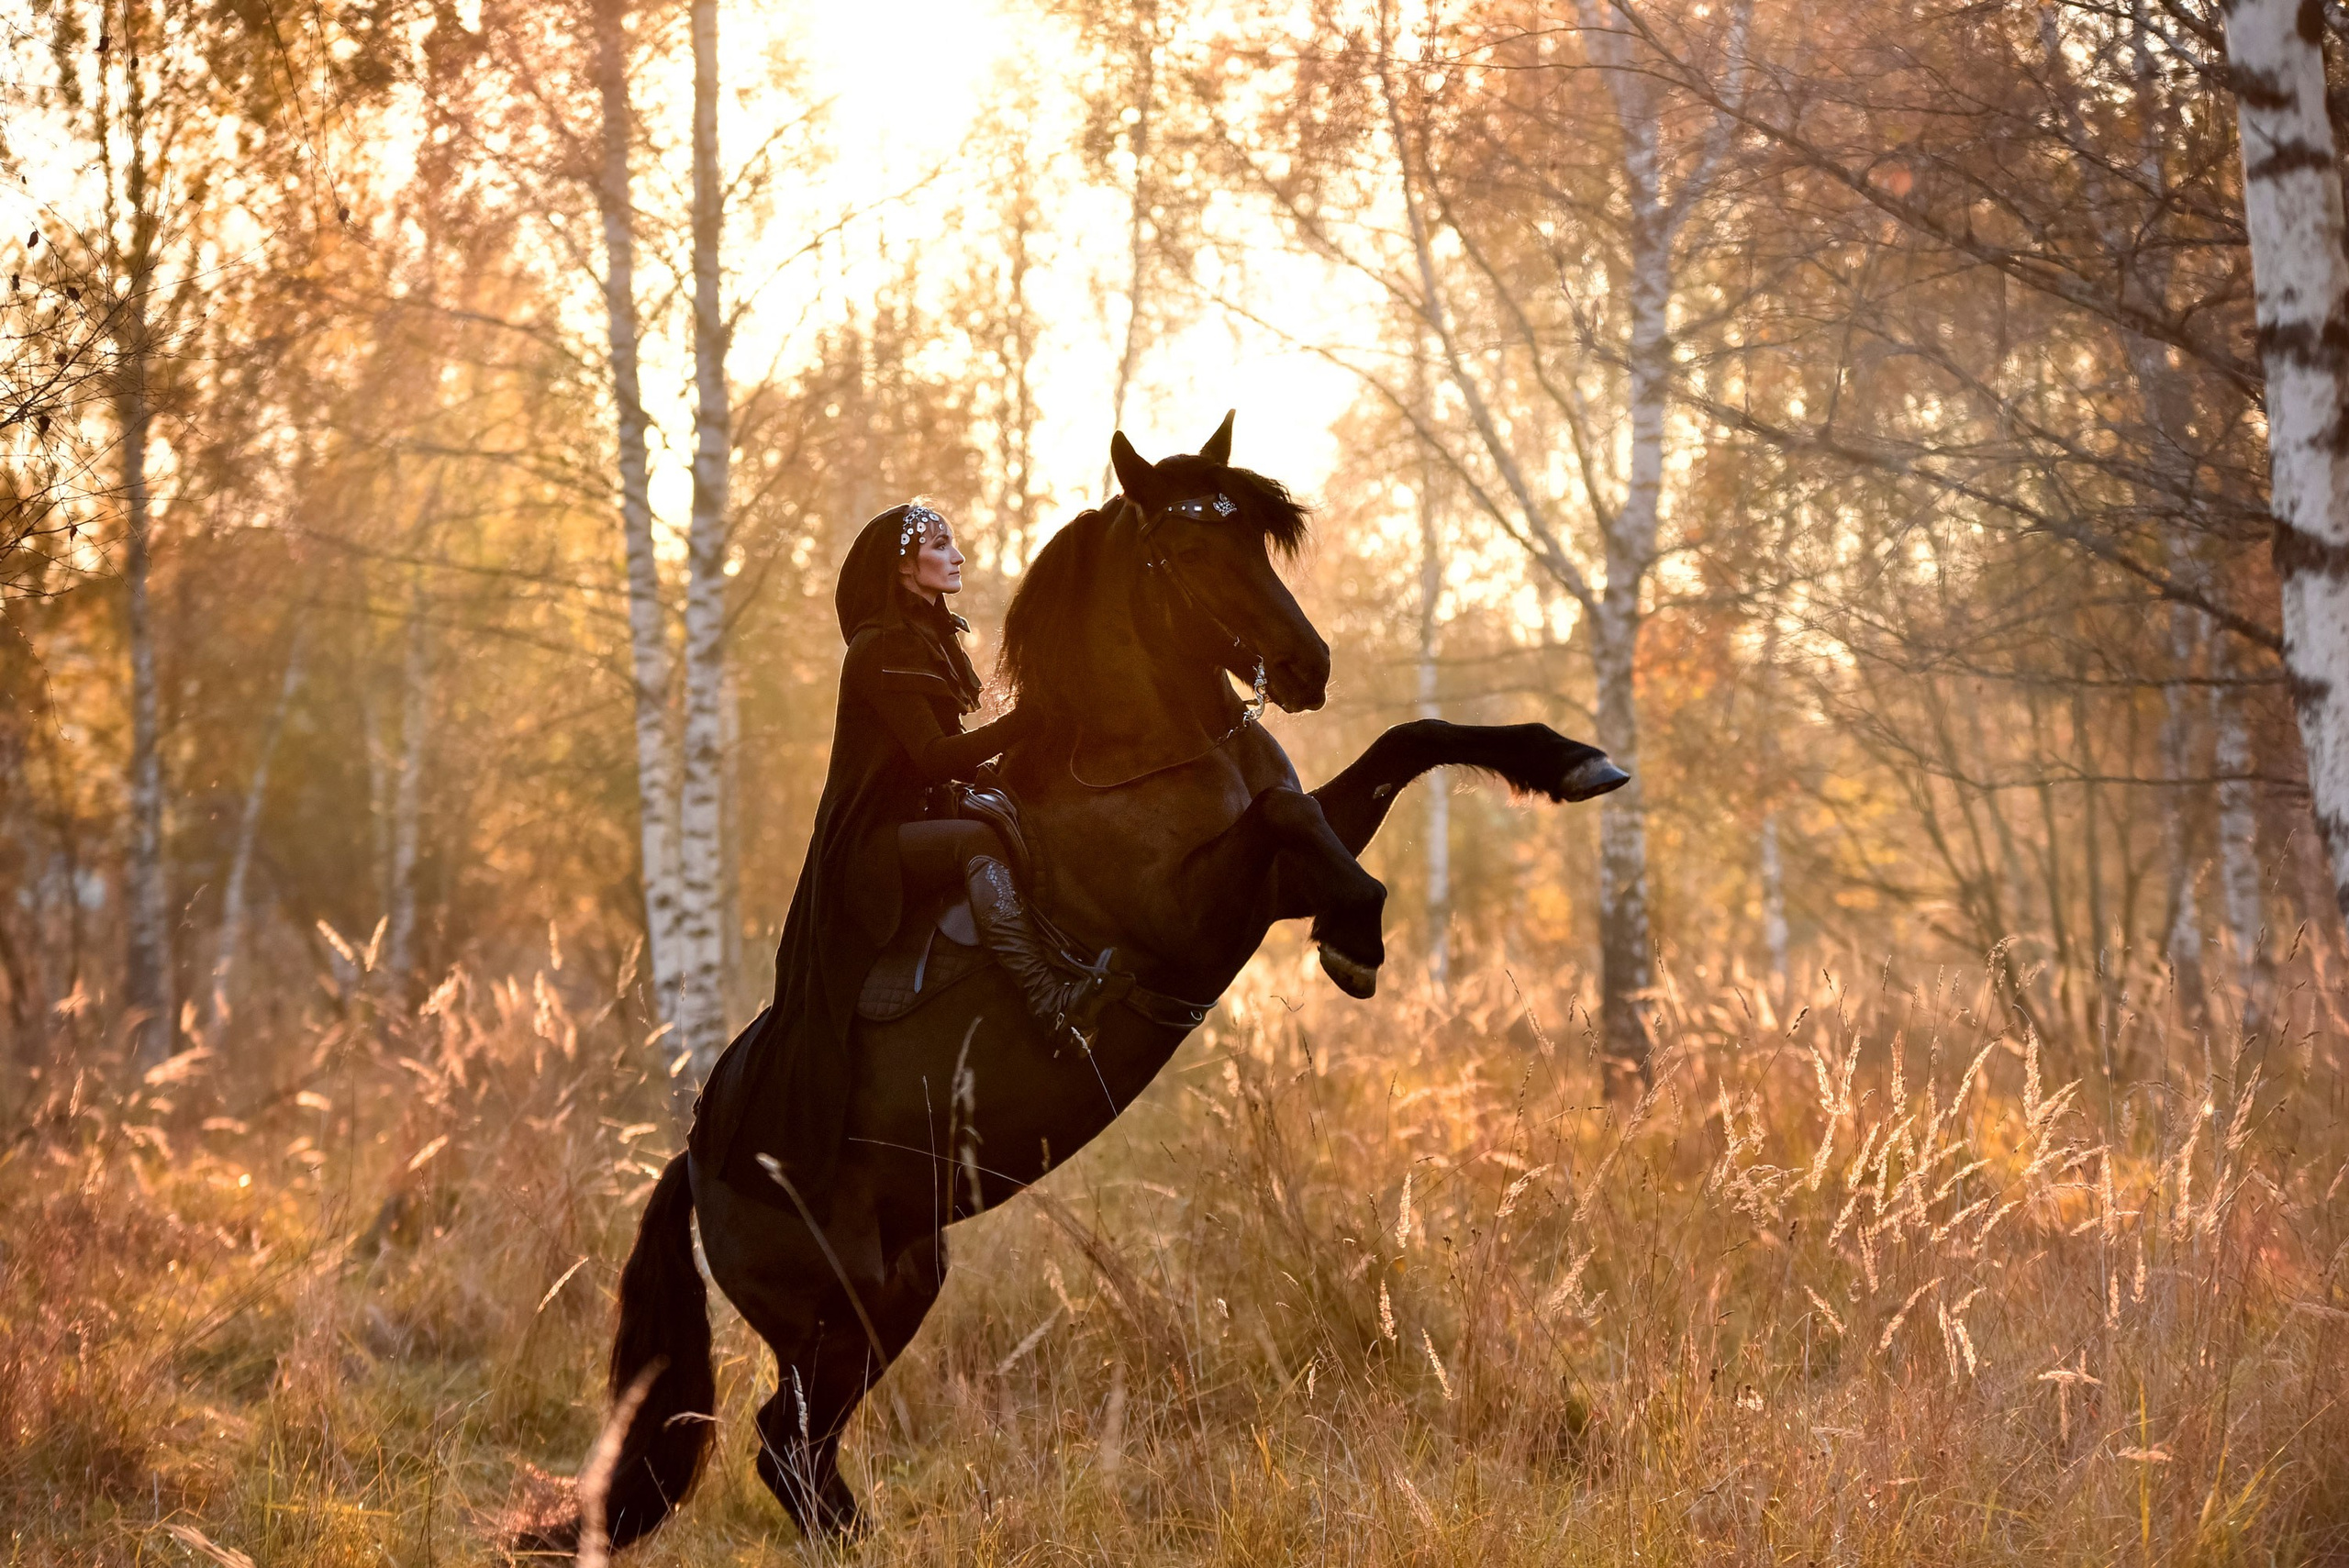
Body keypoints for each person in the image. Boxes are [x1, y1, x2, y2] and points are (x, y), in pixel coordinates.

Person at [690, 503, 1093, 1210]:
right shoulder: (879, 648)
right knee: (977, 839)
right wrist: (1029, 717)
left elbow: (952, 766)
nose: (957, 556)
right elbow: (934, 757)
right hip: (870, 847)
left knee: (1005, 820)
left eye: (952, 545)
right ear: (906, 568)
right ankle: (1046, 995)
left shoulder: (927, 641)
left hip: (915, 820)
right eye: (941, 545)